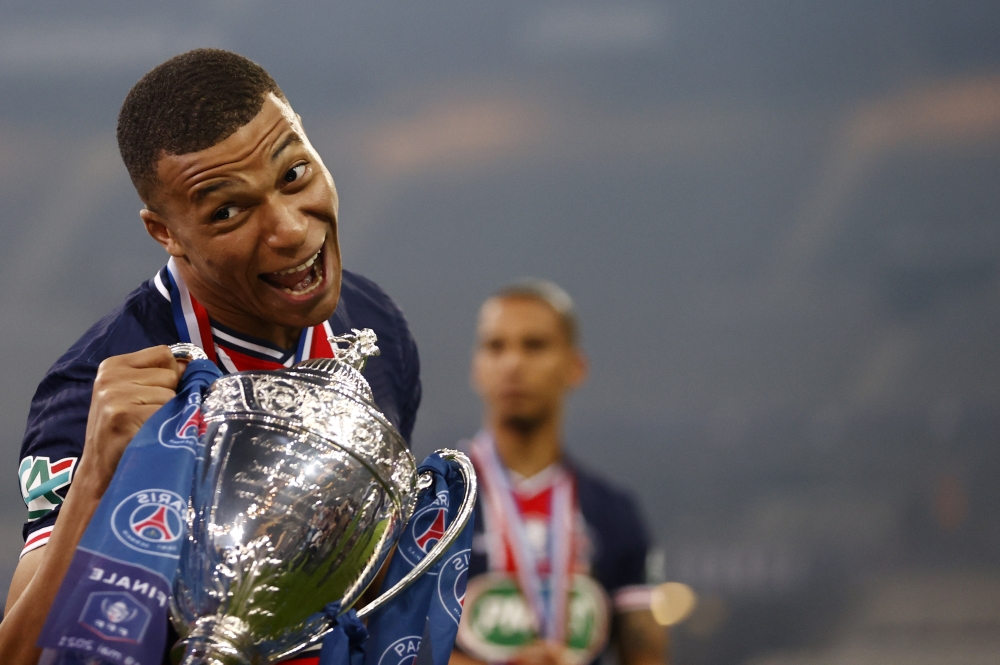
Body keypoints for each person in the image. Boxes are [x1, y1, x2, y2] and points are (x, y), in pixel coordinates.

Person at [1, 49, 420, 665]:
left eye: (295, 175)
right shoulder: (96, 387)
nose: (290, 230)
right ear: (164, 232)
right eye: (228, 211)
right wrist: (95, 479)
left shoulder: (374, 324)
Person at [451, 280, 667, 665]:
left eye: (534, 346)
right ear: (477, 367)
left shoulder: (614, 512)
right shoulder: (437, 500)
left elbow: (646, 653)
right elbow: (392, 645)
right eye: (495, 347)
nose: (513, 363)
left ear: (574, 367)